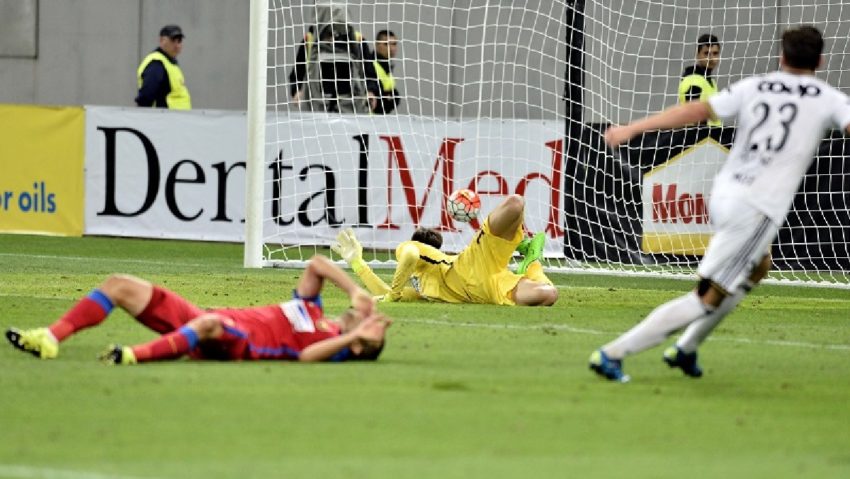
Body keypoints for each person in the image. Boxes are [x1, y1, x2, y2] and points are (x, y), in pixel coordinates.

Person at [591, 25, 850, 382]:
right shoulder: (830, 99)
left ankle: (687, 348)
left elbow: (696, 111)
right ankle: (614, 352)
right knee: (705, 296)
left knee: (759, 267)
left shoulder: (755, 85)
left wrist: (633, 128)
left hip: (726, 193)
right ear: (820, 61)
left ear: (782, 57)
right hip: (757, 206)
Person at [5, 256, 390, 364]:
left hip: (235, 342)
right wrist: (355, 291)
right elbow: (317, 264)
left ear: (357, 346)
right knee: (118, 284)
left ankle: (130, 357)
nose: (372, 319)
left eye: (375, 330)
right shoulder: (312, 310)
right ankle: (51, 338)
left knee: (208, 323)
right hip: (210, 318)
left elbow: (305, 357)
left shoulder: (330, 341)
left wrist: (355, 334)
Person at [332, 195, 559, 306]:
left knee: (516, 204)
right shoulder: (421, 289)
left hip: (472, 263)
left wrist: (392, 295)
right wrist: (358, 264)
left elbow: (409, 258)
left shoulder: (410, 249)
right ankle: (531, 261)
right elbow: (384, 291)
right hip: (487, 289)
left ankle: (516, 245)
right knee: (549, 295)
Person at [287, 5, 372, 113]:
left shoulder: (357, 40)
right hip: (317, 104)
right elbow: (298, 71)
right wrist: (296, 91)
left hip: (351, 105)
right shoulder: (310, 40)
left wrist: (370, 91)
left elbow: (369, 71)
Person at [135, 24, 192, 110]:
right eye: (173, 40)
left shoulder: (170, 63)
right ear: (162, 40)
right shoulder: (156, 63)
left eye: (179, 41)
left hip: (176, 119)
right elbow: (146, 96)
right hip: (165, 120)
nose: (177, 45)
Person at [678, 33, 721, 126]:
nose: (711, 58)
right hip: (701, 138)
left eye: (715, 53)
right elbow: (693, 114)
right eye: (706, 53)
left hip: (711, 137)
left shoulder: (709, 81)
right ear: (697, 55)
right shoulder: (694, 80)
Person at [366, 30, 402, 114]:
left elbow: (394, 96)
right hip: (367, 120)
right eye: (386, 44)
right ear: (377, 45)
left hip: (380, 121)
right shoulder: (369, 65)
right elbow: (376, 102)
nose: (392, 48)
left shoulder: (387, 67)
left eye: (394, 44)